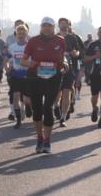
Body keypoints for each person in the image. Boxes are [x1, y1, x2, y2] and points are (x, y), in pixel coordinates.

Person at [21, 16, 67, 154]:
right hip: (35, 77)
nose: (47, 28)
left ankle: (47, 141)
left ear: (54, 28)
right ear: (41, 27)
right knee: (37, 109)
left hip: (53, 77)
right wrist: (30, 63)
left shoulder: (61, 41)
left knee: (48, 107)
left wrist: (65, 64)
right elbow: (23, 61)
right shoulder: (33, 41)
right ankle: (39, 138)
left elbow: (62, 56)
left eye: (49, 26)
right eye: (44, 25)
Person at [55, 17, 83, 127]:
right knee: (57, 92)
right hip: (57, 68)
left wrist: (75, 53)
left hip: (70, 68)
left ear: (69, 25)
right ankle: (56, 106)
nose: (63, 25)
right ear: (58, 25)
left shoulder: (73, 38)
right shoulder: (54, 37)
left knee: (66, 91)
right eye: (61, 23)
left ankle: (63, 117)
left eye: (65, 23)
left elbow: (78, 51)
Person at [5, 23, 32, 129]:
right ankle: (18, 120)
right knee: (15, 97)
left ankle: (29, 107)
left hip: (27, 75)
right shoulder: (12, 47)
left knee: (26, 100)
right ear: (16, 34)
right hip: (16, 75)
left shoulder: (30, 46)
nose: (21, 34)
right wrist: (7, 68)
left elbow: (34, 60)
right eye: (19, 33)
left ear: (26, 33)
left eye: (23, 32)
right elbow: (7, 60)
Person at [83, 26, 101, 125]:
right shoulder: (93, 44)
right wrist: (95, 56)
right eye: (100, 32)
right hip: (95, 74)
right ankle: (94, 108)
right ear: (97, 33)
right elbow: (85, 58)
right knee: (94, 97)